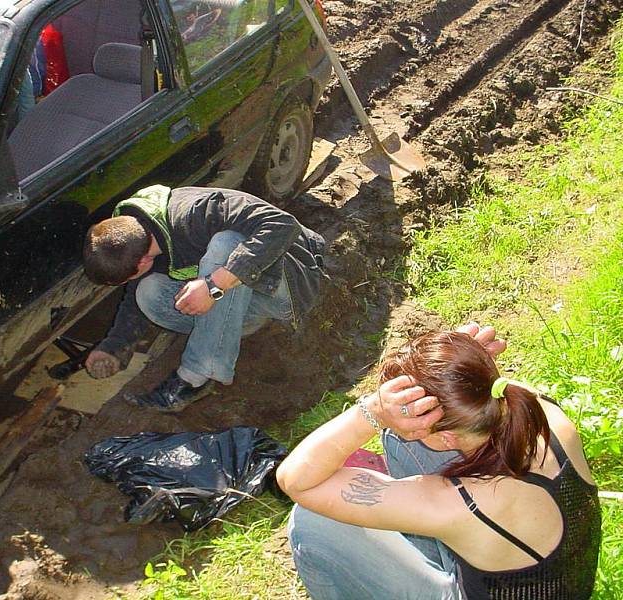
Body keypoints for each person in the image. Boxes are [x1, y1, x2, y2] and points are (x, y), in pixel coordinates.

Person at [277, 323, 601, 600]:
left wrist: (372, 413)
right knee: (401, 441)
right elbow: (470, 395)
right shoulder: (534, 406)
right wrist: (463, 366)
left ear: (447, 438)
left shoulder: (462, 504)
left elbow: (295, 480)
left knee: (311, 521)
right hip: (548, 575)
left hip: (484, 560)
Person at [82, 184, 326, 412]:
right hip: (244, 302)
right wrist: (114, 347)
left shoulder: (199, 212)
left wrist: (213, 285)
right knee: (147, 293)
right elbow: (133, 299)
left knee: (226, 245)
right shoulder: (136, 237)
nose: (127, 282)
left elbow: (283, 225)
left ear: (143, 261)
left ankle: (194, 378)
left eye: (126, 277)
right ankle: (226, 331)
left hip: (293, 281)